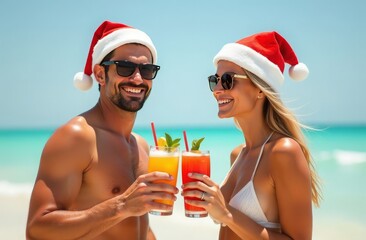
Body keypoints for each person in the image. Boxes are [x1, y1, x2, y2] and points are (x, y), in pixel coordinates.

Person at [26, 20, 178, 240]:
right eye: (125, 67)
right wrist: (122, 205)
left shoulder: (141, 145)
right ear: (99, 74)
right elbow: (37, 230)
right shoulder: (78, 136)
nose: (137, 78)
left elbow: (138, 227)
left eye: (147, 70)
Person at [181, 31, 321, 239]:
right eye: (215, 80)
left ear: (260, 89)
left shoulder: (283, 151)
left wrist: (227, 214)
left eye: (227, 80)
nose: (217, 89)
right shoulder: (237, 155)